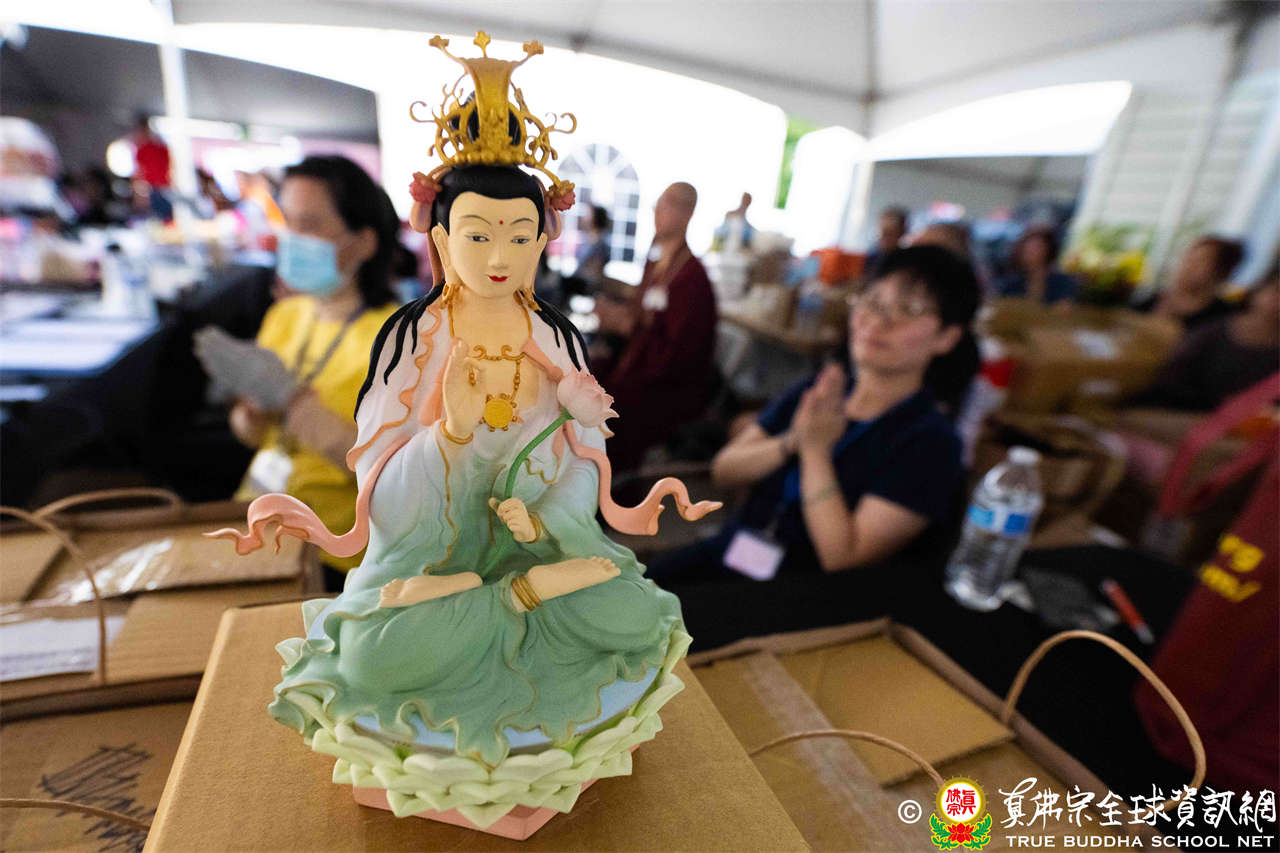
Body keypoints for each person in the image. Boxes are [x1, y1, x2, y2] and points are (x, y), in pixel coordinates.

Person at [648, 245, 979, 580]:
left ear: (947, 338)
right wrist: (792, 441)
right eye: (874, 302)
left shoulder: (931, 443)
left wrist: (815, 451)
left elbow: (842, 557)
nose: (879, 321)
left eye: (908, 309)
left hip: (802, 590)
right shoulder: (820, 391)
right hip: (734, 550)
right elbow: (724, 470)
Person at [193, 155, 402, 582]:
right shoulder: (286, 315)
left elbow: (394, 475)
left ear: (364, 242)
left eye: (309, 225)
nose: (291, 239)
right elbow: (254, 436)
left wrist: (294, 404)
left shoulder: (399, 340)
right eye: (287, 222)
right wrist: (251, 414)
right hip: (255, 521)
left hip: (333, 553)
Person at [592, 181, 718, 472]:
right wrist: (620, 318)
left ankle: (610, 487)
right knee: (584, 375)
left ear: (688, 213)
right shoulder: (656, 264)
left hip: (668, 386)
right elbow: (641, 315)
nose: (657, 211)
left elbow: (680, 354)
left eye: (667, 204)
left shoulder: (691, 278)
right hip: (637, 363)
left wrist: (628, 327)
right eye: (658, 204)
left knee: (612, 405)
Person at [1136, 261, 1279, 411]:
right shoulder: (1216, 327)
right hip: (1180, 407)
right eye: (1276, 291)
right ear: (1258, 291)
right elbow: (1172, 377)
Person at [1134, 235, 1244, 330]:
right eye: (1187, 257)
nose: (1187, 265)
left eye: (1200, 261)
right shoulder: (1150, 299)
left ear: (1221, 273)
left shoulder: (1221, 319)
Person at [996, 226, 1079, 305]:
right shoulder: (1011, 285)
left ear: (1048, 250)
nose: (1031, 253)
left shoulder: (1064, 283)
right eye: (1027, 249)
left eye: (1037, 248)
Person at [562, 204, 610, 299]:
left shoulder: (601, 243)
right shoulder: (588, 240)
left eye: (588, 215)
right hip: (580, 280)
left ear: (595, 218)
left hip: (589, 284)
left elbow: (594, 272)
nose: (584, 217)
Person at [863, 205, 907, 280]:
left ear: (901, 233)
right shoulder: (871, 255)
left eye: (889, 233)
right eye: (881, 231)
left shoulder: (904, 263)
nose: (882, 237)